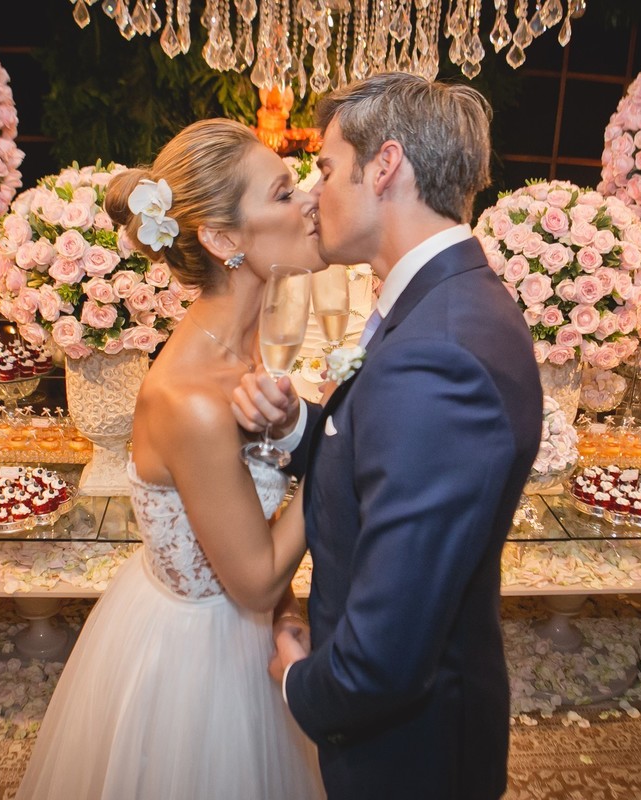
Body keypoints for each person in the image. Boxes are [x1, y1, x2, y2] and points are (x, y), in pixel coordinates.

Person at [232, 73, 543, 799]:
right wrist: (298, 424)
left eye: (326, 167)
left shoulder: (439, 350)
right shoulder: (445, 301)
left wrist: (298, 681)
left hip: (409, 757)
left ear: (385, 166)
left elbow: (387, 656)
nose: (314, 194)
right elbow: (385, 453)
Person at [18, 118, 325, 799]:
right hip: (198, 657)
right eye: (283, 192)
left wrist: (287, 615)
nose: (310, 200)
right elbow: (252, 578)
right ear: (223, 241)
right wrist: (342, 448)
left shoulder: (244, 350)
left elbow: (249, 522)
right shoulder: (192, 399)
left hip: (247, 633)